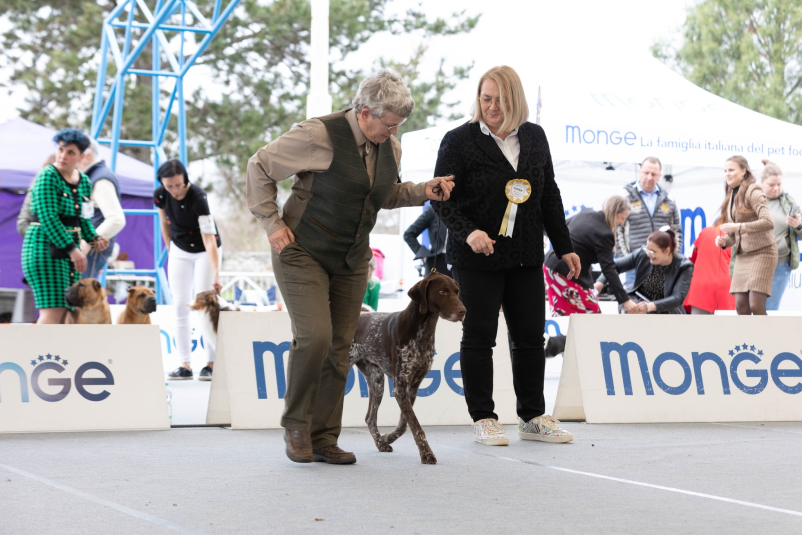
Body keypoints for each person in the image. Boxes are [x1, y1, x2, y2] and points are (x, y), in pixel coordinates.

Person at [246, 69, 455, 465]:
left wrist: (421, 191)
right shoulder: (316, 135)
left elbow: (383, 194)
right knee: (315, 338)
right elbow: (259, 167)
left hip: (352, 258)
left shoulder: (388, 148)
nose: (392, 134)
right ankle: (296, 425)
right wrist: (272, 224)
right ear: (364, 112)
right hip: (302, 250)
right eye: (388, 125)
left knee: (340, 346)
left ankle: (325, 438)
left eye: (398, 127)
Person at [431, 65, 580, 447]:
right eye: (486, 98)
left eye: (500, 99)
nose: (492, 106)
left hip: (527, 255)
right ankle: (483, 418)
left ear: (515, 100)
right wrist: (470, 233)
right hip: (476, 257)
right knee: (479, 337)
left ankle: (532, 416)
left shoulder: (534, 137)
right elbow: (440, 201)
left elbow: (549, 195)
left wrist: (564, 246)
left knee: (530, 337)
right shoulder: (458, 140)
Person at [21, 129, 109, 324]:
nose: (63, 156)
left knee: (68, 312)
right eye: (61, 150)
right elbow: (48, 217)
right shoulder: (48, 176)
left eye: (70, 152)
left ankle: (60, 354)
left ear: (82, 156)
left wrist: (94, 238)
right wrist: (73, 250)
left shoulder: (84, 181)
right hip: (43, 249)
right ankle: (37, 354)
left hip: (69, 253)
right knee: (53, 310)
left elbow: (84, 218)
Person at [155, 159, 222, 381]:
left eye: (177, 185)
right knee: (179, 304)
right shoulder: (160, 195)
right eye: (169, 185)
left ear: (186, 181)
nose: (174, 190)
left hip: (205, 249)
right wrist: (169, 246)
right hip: (180, 249)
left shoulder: (198, 197)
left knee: (205, 304)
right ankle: (184, 363)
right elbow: (164, 221)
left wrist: (216, 273)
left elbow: (209, 238)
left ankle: (210, 363)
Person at [544, 196, 637, 315]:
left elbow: (561, 227)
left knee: (564, 313)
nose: (622, 222)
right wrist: (625, 300)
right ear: (615, 213)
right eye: (622, 218)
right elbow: (609, 269)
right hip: (564, 272)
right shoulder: (604, 234)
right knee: (592, 314)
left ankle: (569, 333)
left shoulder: (586, 213)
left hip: (551, 266)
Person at [714, 156, 776, 315]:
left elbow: (768, 222)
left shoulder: (753, 190)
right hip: (743, 255)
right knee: (741, 307)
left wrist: (738, 226)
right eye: (725, 171)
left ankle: (767, 339)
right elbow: (736, 235)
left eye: (731, 170)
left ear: (743, 171)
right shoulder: (731, 194)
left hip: (763, 252)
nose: (727, 174)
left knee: (755, 304)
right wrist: (724, 241)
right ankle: (749, 339)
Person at [617, 157, 682, 286]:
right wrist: (625, 259)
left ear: (660, 176)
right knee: (632, 303)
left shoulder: (668, 199)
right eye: (646, 173)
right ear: (640, 172)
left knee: (659, 304)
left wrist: (672, 257)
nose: (649, 177)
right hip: (634, 264)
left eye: (653, 174)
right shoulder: (625, 196)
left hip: (662, 264)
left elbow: (676, 231)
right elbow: (617, 230)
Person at [596, 228, 693, 314]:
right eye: (647, 249)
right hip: (639, 302)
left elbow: (677, 298)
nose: (648, 254)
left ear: (666, 251)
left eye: (653, 252)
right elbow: (613, 266)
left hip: (667, 310)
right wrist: (600, 282)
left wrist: (650, 306)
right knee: (630, 308)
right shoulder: (642, 254)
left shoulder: (684, 266)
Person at [76, 138, 126, 279]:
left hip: (91, 250)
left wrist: (88, 241)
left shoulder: (100, 179)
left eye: (74, 154)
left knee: (81, 295)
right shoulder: (93, 176)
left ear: (88, 155)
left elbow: (117, 220)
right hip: (91, 248)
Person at [758, 160, 802, 310]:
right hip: (754, 264)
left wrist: (798, 225)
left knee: (770, 309)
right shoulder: (751, 201)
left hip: (780, 264)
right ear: (761, 182)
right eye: (771, 185)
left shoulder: (789, 202)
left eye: (779, 184)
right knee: (747, 308)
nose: (776, 188)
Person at [683, 225, 735, 314]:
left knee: (698, 326)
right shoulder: (738, 235)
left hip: (701, 288)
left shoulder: (705, 232)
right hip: (725, 288)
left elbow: (691, 257)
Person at [403, 203, 450, 276]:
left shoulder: (466, 210)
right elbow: (408, 234)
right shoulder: (434, 210)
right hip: (436, 263)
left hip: (460, 265)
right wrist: (424, 255)